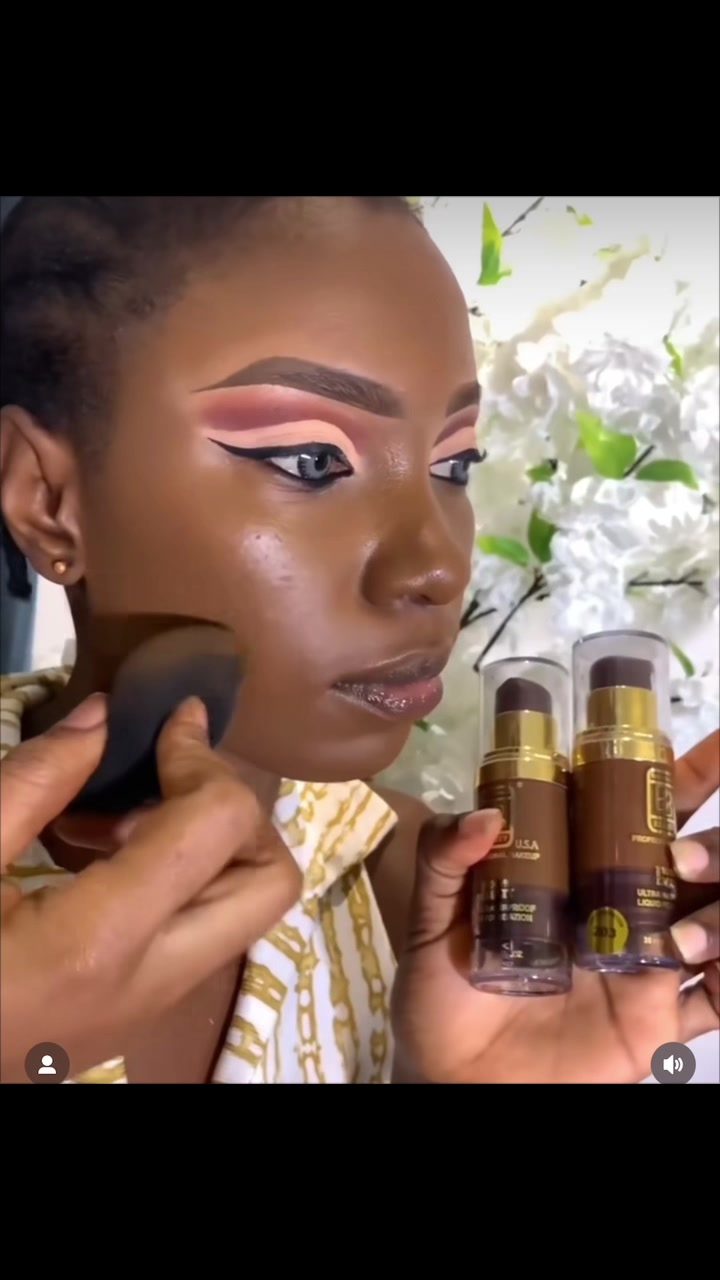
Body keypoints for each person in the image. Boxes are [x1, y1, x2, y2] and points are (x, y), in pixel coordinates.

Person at [0, 195, 717, 1085]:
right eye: (311, 460)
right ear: (48, 501)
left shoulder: (431, 911)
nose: (437, 566)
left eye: (454, 464)